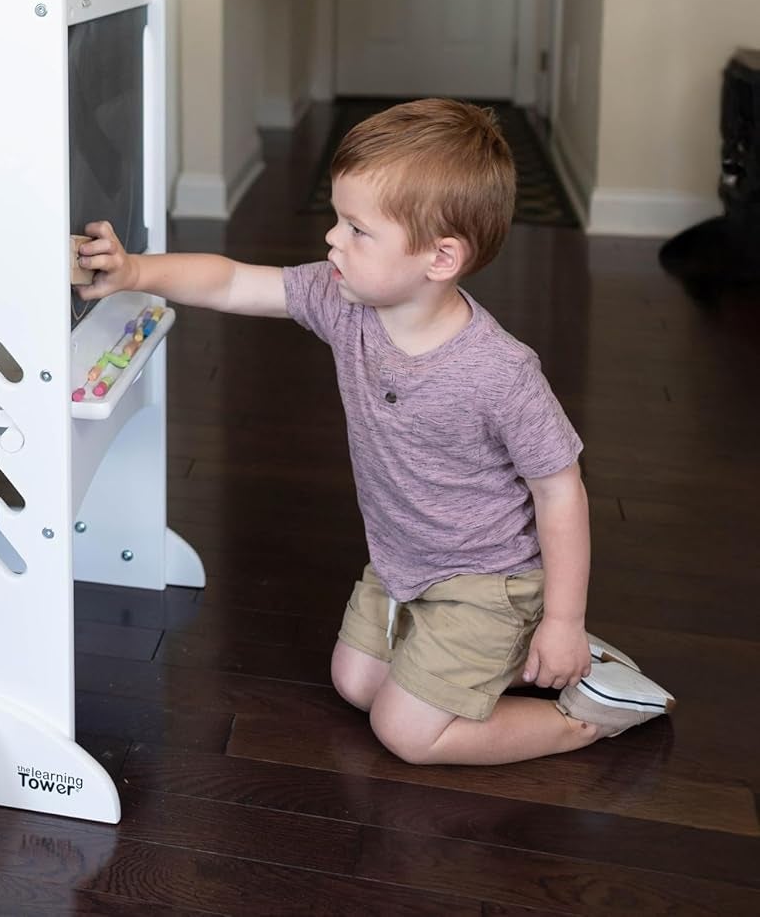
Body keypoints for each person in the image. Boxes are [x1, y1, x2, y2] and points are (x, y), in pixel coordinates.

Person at [77, 98, 674, 764]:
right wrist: (135, 273)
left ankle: (587, 712)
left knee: (405, 733)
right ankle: (517, 654)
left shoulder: (501, 372)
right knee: (355, 683)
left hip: (486, 581)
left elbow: (562, 492)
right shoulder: (345, 302)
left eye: (358, 230)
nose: (332, 239)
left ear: (441, 258)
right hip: (400, 563)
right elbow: (235, 281)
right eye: (338, 220)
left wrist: (564, 621)